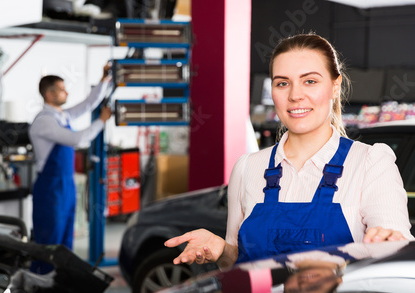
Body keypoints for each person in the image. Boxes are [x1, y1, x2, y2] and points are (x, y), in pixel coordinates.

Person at [165, 33, 414, 270]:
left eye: (310, 81)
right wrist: (221, 251)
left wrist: (390, 243)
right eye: (282, 83)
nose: (295, 95)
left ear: (335, 86)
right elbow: (238, 264)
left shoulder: (370, 163)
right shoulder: (248, 168)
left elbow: (392, 245)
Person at [29, 64, 112, 274]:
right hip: (50, 189)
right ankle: (41, 286)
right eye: (62, 89)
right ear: (49, 94)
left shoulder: (61, 116)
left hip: (65, 186)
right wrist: (101, 122)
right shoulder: (45, 122)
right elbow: (77, 139)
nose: (67, 92)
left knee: (65, 240)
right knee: (50, 242)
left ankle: (60, 284)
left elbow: (87, 104)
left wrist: (104, 81)